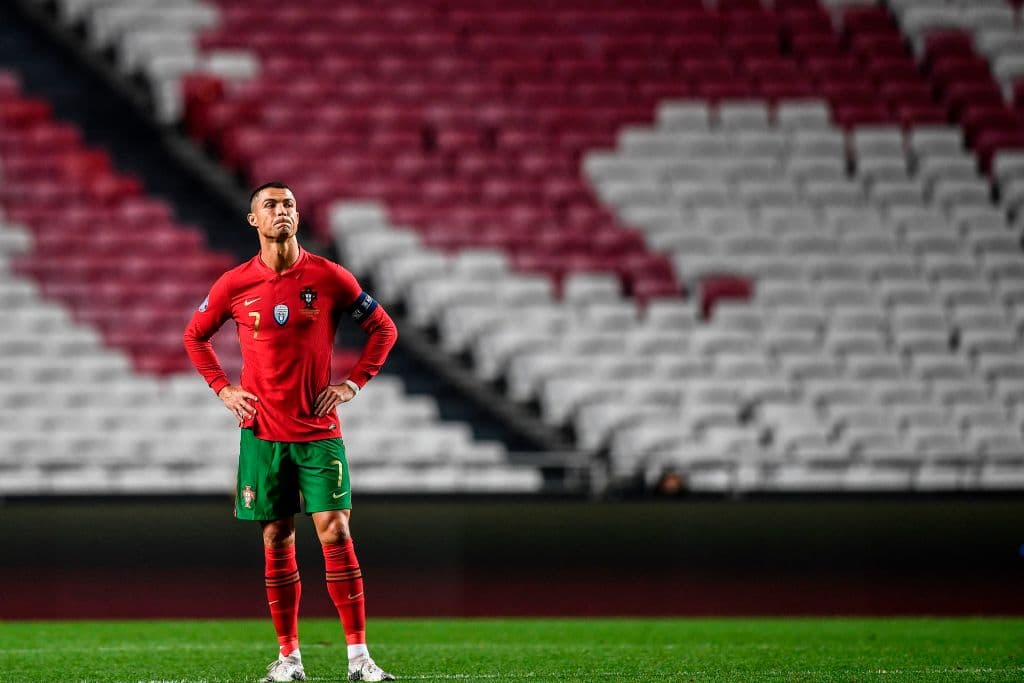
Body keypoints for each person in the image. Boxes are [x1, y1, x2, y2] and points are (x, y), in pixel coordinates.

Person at [184, 181, 398, 682]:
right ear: (253, 219)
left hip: (319, 432)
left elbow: (384, 328)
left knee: (335, 529)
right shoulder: (234, 283)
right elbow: (195, 336)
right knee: (277, 537)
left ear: (297, 217)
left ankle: (360, 659)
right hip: (262, 434)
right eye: (270, 205)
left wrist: (352, 384)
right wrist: (223, 389)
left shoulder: (329, 276)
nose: (281, 211)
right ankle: (289, 659)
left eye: (289, 205)